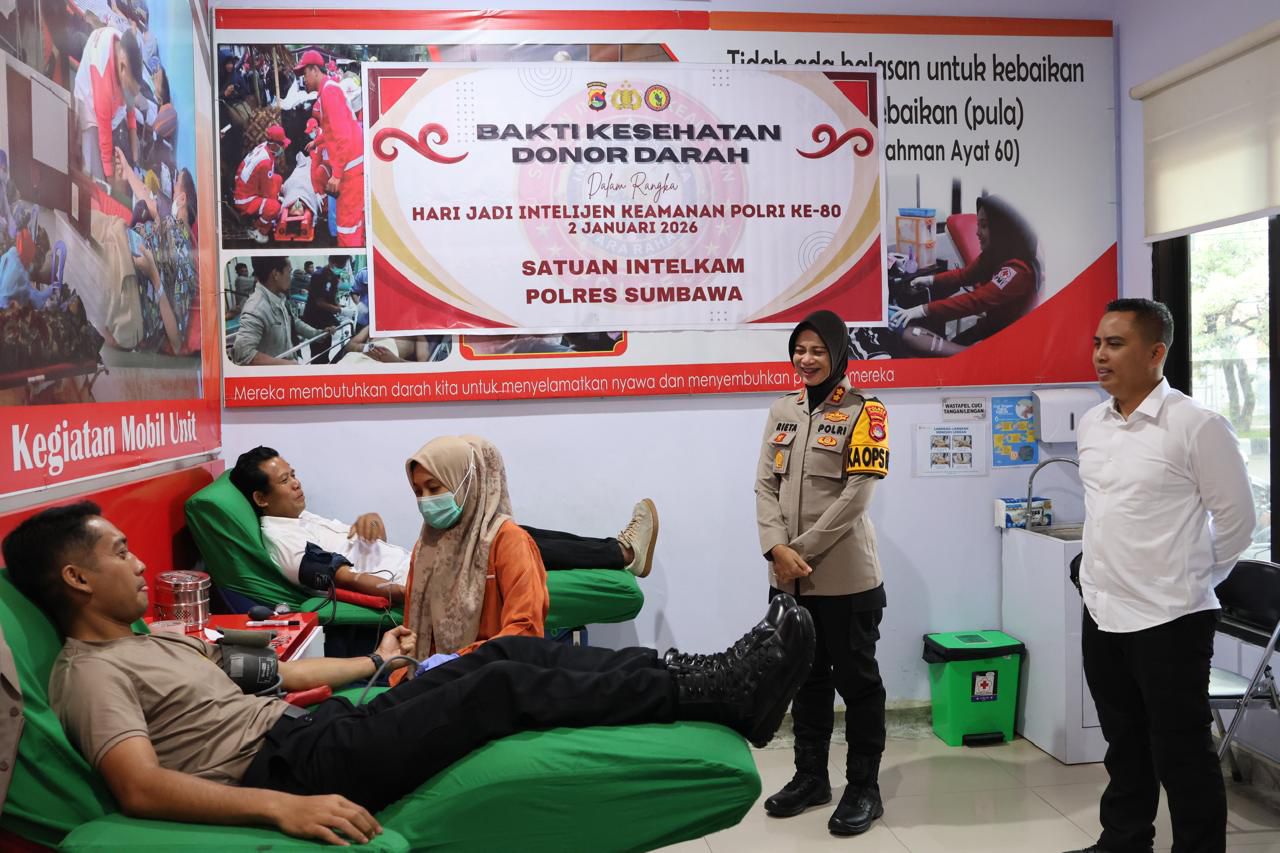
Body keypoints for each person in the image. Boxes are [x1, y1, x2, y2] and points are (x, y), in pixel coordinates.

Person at [1, 502, 814, 846]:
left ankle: (701, 679)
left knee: (497, 655)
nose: (139, 562)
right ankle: (711, 688)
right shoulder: (89, 672)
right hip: (287, 767)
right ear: (76, 577)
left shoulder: (157, 638)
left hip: (314, 729)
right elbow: (140, 787)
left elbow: (271, 673)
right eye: (119, 552)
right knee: (499, 688)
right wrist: (284, 807)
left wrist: (380, 660)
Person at [1065, 299, 1255, 853]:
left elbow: (1237, 523)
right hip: (1103, 611)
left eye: (1115, 344)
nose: (1100, 355)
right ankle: (1123, 840)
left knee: (1182, 752)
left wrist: (1187, 577)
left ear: (1155, 353)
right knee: (1123, 742)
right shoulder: (1092, 424)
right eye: (1097, 343)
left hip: (1172, 617)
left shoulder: (1197, 426)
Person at [755, 309, 891, 837]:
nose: (806, 359)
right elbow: (765, 485)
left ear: (838, 354)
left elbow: (857, 495)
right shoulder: (781, 410)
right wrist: (775, 546)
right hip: (788, 577)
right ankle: (811, 778)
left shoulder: (867, 412)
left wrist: (798, 550)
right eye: (800, 349)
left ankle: (864, 789)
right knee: (804, 680)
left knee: (858, 685)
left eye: (817, 350)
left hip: (845, 578)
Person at [228, 446, 658, 604]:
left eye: (294, 474)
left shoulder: (301, 518)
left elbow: (361, 551)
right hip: (419, 581)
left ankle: (618, 550)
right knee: (500, 538)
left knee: (500, 529)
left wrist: (370, 524)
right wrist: (411, 593)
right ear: (261, 498)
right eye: (284, 481)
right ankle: (621, 552)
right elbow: (345, 579)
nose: (296, 483)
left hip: (417, 565)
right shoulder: (282, 541)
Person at [888, 195, 1040, 356]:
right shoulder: (993, 254)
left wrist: (922, 310)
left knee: (950, 352)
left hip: (1012, 337)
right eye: (978, 225)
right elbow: (964, 275)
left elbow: (976, 301)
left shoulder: (1018, 270)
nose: (977, 232)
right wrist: (930, 280)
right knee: (951, 345)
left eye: (984, 226)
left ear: (1003, 230)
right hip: (993, 324)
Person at [295, 49, 365, 247]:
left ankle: (349, 253)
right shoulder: (328, 90)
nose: (303, 79)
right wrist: (317, 142)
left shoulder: (329, 92)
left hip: (350, 168)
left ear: (314, 70)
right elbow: (332, 130)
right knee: (353, 224)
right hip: (352, 165)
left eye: (304, 74)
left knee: (347, 228)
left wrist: (336, 174)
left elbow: (343, 136)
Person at [73, 26, 143, 185]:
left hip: (111, 107)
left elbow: (130, 107)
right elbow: (105, 143)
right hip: (89, 107)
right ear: (122, 67)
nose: (130, 96)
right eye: (129, 90)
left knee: (129, 150)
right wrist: (110, 182)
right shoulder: (103, 78)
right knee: (96, 177)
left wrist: (134, 157)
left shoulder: (126, 52)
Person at [231, 256, 331, 366]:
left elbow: (293, 322)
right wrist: (286, 364)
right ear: (276, 274)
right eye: (289, 272)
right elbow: (242, 354)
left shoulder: (279, 297)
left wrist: (317, 334)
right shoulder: (256, 309)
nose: (291, 277)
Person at [233, 124, 289, 245]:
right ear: (274, 145)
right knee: (274, 208)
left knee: (278, 179)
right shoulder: (265, 162)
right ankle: (258, 229)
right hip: (244, 200)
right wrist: (276, 203)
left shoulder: (263, 146)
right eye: (281, 145)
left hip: (242, 188)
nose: (283, 148)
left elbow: (242, 167)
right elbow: (266, 192)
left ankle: (265, 214)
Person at [304, 255, 345, 363]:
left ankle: (325, 363)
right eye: (338, 265)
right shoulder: (318, 276)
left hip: (326, 317)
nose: (340, 268)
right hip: (314, 317)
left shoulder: (334, 277)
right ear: (331, 261)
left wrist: (341, 307)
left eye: (343, 266)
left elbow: (332, 298)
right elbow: (319, 302)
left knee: (327, 346)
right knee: (317, 350)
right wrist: (338, 310)